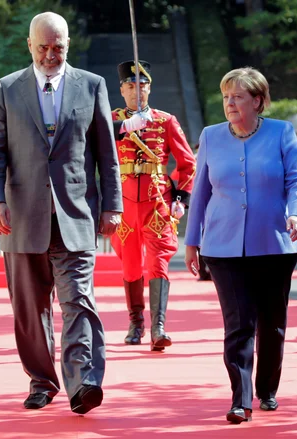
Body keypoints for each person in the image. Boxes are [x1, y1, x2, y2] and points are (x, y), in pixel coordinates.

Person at [0, 12, 122, 414]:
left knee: (78, 299)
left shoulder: (91, 86)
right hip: (21, 217)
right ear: (29, 45)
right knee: (30, 308)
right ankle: (42, 381)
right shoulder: (7, 89)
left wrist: (112, 205)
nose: (50, 54)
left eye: (57, 46)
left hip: (75, 215)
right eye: (42, 47)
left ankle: (83, 382)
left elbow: (106, 157)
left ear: (67, 45)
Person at [184, 67, 297, 424]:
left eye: (238, 96)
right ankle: (240, 399)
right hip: (223, 246)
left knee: (272, 324)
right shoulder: (210, 136)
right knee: (238, 324)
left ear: (258, 100)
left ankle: (267, 389)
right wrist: (192, 241)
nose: (230, 103)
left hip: (275, 242)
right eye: (226, 96)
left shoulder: (281, 132)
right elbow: (200, 192)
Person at [110, 60, 196, 350]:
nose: (137, 91)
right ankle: (136, 323)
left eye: (142, 85)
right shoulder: (110, 120)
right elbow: (91, 142)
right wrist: (123, 126)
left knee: (157, 262)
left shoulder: (165, 120)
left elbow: (187, 164)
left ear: (150, 88)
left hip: (157, 201)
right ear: (122, 90)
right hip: (123, 205)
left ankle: (159, 327)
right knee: (131, 265)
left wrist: (181, 198)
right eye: (131, 86)